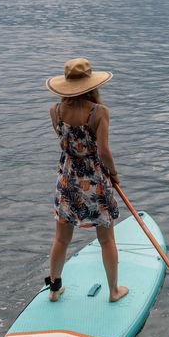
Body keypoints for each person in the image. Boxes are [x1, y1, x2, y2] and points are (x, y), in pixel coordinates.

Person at [45, 57, 128, 302]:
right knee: (106, 239)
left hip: (67, 179)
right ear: (92, 85)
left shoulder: (55, 111)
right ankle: (113, 291)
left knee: (61, 238)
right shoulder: (99, 112)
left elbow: (66, 144)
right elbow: (103, 151)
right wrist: (113, 174)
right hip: (94, 180)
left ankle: (54, 289)